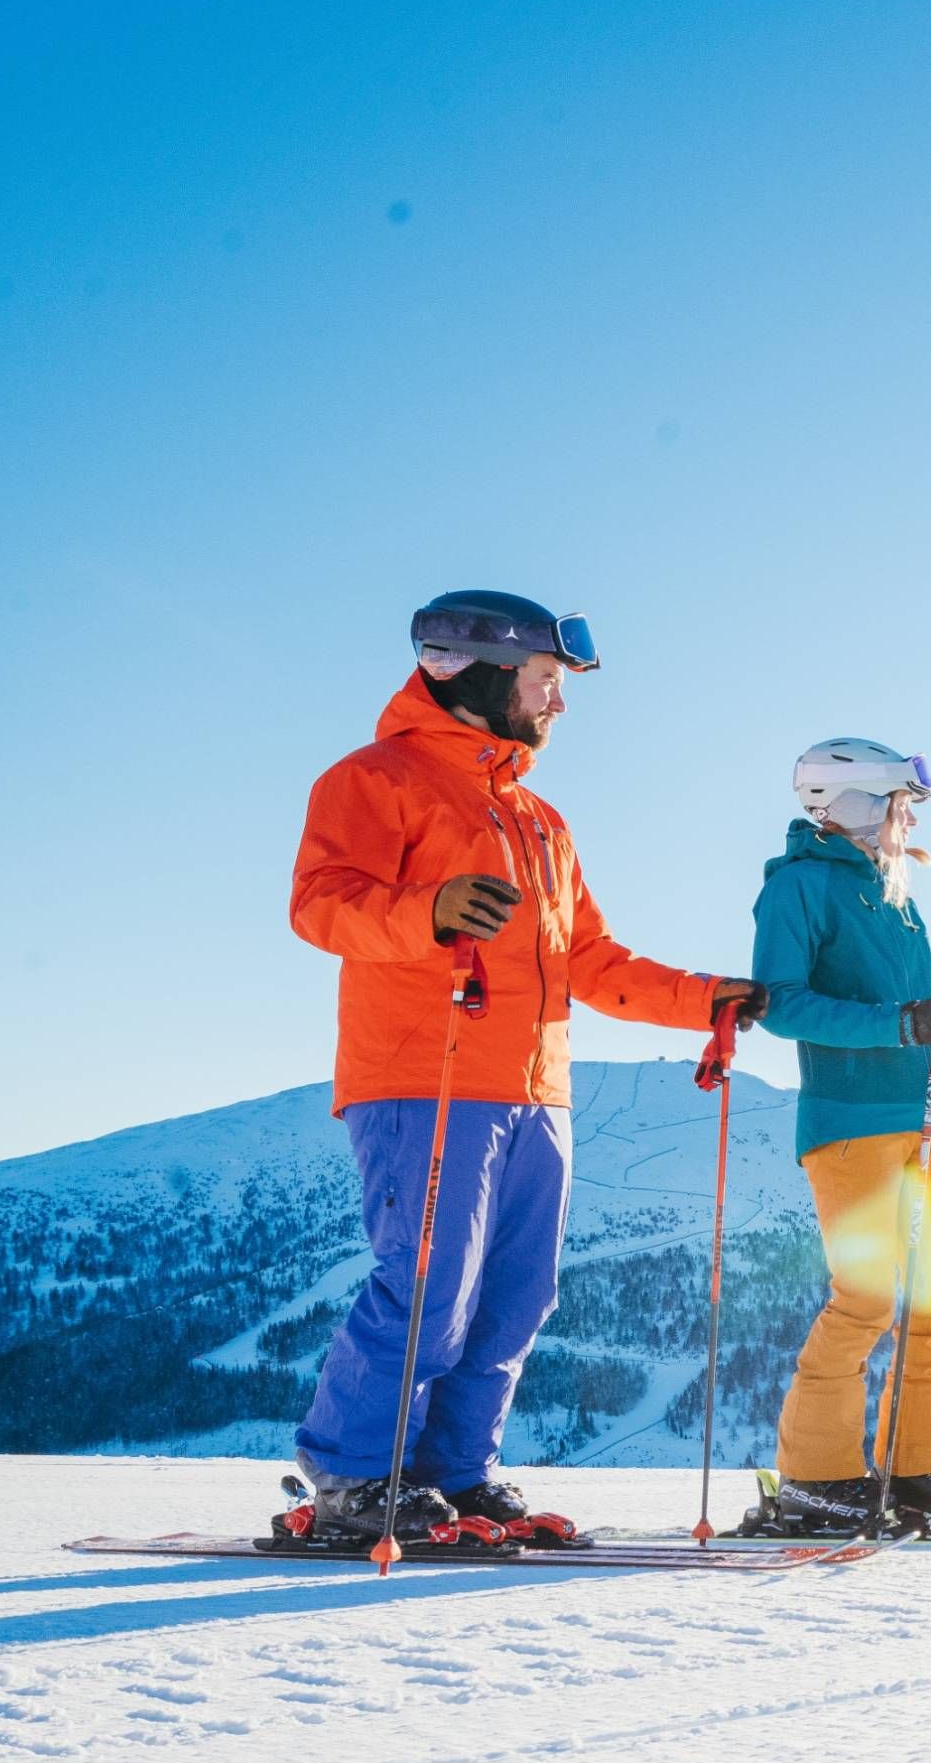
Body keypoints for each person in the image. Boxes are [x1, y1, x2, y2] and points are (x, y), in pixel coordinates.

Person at [288, 588, 765, 1543]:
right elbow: (320, 905)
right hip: (424, 1076)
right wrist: (427, 912)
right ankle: (351, 1480)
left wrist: (700, 997)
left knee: (517, 1292)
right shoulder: (375, 780)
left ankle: (455, 1472)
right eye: (546, 681)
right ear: (477, 671)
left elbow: (588, 958)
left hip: (535, 1090)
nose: (559, 704)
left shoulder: (540, 819)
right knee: (427, 1283)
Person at [750, 739, 931, 1536]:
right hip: (850, 1124)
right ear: (857, 802)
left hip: (925, 1121)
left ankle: (918, 1468)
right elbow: (781, 1005)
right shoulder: (798, 889)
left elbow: (909, 1034)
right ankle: (816, 1477)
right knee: (867, 1297)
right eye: (900, 804)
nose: (908, 820)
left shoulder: (898, 900)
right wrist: (902, 1024)